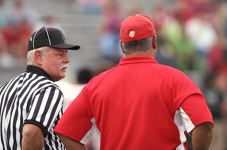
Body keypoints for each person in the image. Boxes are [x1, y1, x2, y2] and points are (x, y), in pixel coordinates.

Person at [54, 14, 213, 150]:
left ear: (122, 47)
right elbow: (203, 124)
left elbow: (66, 132)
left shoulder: (97, 84)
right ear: (154, 42)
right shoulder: (176, 79)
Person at [0, 26, 80, 149]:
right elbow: (31, 132)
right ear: (38, 56)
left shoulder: (4, 88)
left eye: (66, 54)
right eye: (60, 54)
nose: (67, 60)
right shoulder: (48, 89)